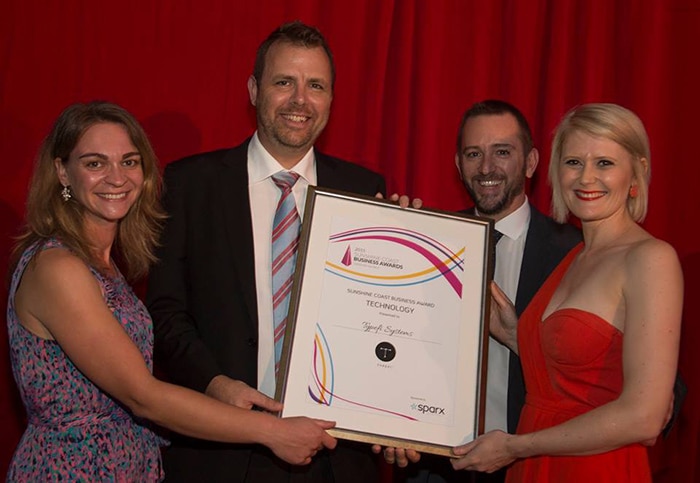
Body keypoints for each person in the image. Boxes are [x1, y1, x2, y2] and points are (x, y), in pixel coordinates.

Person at [5, 101, 338, 482]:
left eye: (129, 162)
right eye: (95, 163)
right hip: (71, 472)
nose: (117, 178)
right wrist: (272, 432)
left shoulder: (103, 265)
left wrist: (222, 390)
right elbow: (142, 396)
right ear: (63, 172)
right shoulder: (58, 268)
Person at [146, 21, 386, 482]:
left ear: (332, 98)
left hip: (335, 457)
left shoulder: (364, 192)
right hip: (219, 452)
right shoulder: (188, 185)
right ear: (254, 90)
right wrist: (215, 385)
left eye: (316, 85)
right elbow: (164, 311)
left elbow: (378, 319)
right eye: (284, 82)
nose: (300, 100)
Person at [450, 103, 682, 482]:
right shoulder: (575, 257)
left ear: (636, 173)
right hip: (535, 463)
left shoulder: (651, 258)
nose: (586, 178)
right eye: (573, 162)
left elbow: (645, 416)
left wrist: (514, 446)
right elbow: (580, 372)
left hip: (590, 467)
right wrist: (514, 333)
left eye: (604, 163)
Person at [386, 101, 582, 483]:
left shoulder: (575, 253)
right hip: (432, 469)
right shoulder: (424, 241)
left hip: (530, 465)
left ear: (530, 162)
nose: (487, 168)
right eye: (474, 154)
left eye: (502, 152)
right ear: (458, 164)